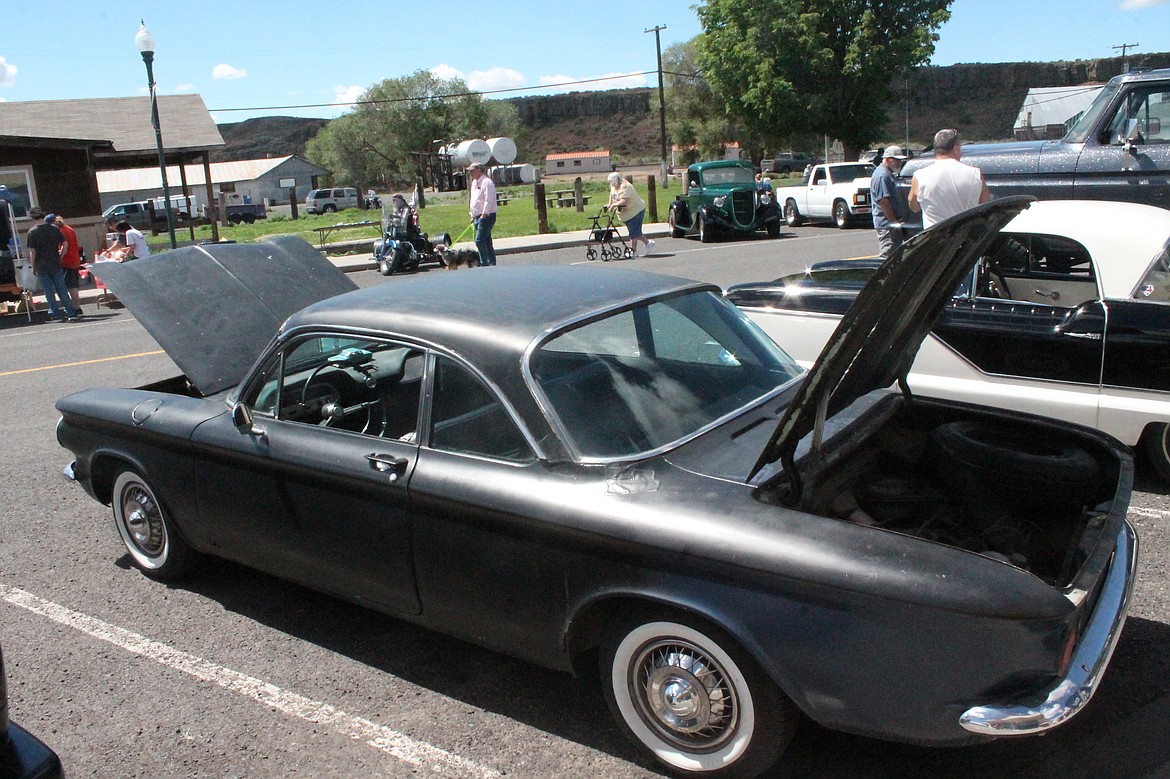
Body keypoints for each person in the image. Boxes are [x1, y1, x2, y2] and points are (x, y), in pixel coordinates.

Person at [908, 128, 990, 228]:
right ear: (955, 149)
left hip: (937, 239)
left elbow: (914, 207)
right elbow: (984, 203)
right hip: (966, 237)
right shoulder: (975, 173)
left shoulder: (919, 176)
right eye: (960, 149)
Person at [26, 213, 80, 322]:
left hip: (42, 266)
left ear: (33, 218)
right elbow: (65, 243)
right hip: (55, 263)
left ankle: (56, 313)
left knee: (49, 291)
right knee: (62, 289)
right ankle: (70, 311)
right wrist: (60, 257)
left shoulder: (32, 232)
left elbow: (32, 252)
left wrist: (34, 266)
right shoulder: (54, 229)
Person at [870, 145, 909, 261]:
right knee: (886, 257)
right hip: (886, 225)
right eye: (896, 160)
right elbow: (884, 202)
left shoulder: (887, 174)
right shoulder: (882, 175)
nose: (899, 163)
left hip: (889, 223)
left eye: (900, 160)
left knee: (895, 256)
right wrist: (894, 222)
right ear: (887, 159)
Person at [605, 172, 654, 257]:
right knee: (636, 232)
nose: (611, 184)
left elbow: (624, 200)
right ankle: (648, 243)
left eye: (612, 182)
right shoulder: (614, 186)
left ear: (616, 180)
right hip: (627, 213)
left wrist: (614, 205)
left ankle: (633, 251)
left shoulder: (625, 186)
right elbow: (612, 194)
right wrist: (610, 204)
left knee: (633, 232)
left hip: (636, 211)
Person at [467, 162, 497, 267]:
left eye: (472, 170)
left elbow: (489, 200)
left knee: (479, 240)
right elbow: (473, 199)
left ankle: (484, 263)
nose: (470, 173)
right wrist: (472, 215)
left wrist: (484, 215)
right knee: (486, 240)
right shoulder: (474, 183)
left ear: (479, 170)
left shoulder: (487, 182)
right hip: (476, 216)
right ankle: (491, 262)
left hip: (486, 216)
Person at [55, 214, 84, 314]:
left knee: (71, 286)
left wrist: (59, 258)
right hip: (74, 259)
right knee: (74, 285)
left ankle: (76, 307)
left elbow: (64, 247)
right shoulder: (69, 229)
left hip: (67, 261)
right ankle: (77, 306)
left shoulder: (61, 232)